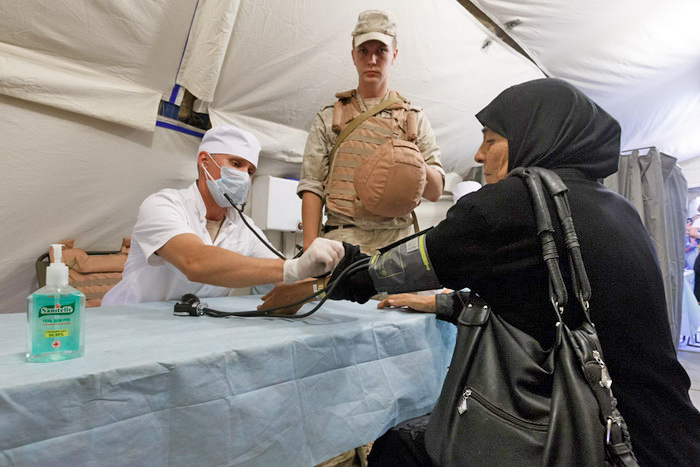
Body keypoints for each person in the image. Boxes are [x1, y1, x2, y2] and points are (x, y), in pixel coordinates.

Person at [267, 78, 700, 465]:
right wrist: (443, 301)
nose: (478, 154)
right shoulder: (618, 209)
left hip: (595, 441)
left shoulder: (518, 200)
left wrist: (325, 270)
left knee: (398, 446)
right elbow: (546, 301)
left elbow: (389, 269)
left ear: (532, 137)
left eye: (490, 139)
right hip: (669, 434)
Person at [102, 125, 344, 306]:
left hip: (184, 326)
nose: (244, 176)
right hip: (130, 319)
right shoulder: (163, 205)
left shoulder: (244, 226)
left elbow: (284, 275)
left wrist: (336, 279)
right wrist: (294, 267)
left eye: (250, 170)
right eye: (236, 163)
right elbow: (195, 262)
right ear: (204, 161)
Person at [297, 9, 445, 256]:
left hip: (397, 243)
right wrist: (310, 248)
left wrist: (409, 158)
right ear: (353, 56)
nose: (372, 60)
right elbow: (312, 185)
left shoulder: (414, 119)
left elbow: (435, 191)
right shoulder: (329, 117)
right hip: (342, 241)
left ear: (394, 55)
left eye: (381, 51)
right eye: (364, 51)